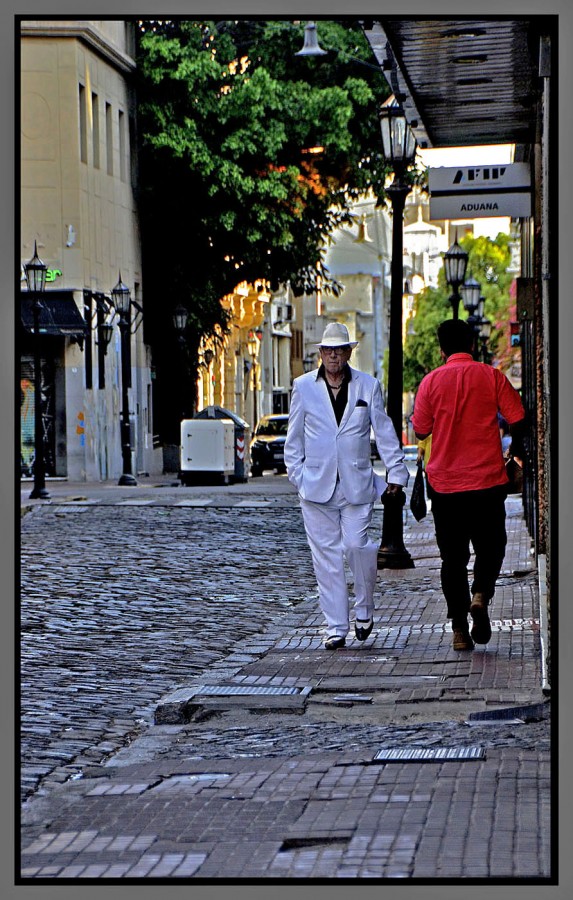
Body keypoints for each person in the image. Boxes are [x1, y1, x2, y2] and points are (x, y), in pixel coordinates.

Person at [284, 322, 409, 650]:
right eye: (329, 350)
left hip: (357, 483)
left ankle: (364, 609)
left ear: (349, 352)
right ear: (320, 353)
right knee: (325, 558)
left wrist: (396, 473)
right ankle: (336, 627)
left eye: (340, 350)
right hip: (315, 487)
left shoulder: (368, 386)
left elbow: (383, 431)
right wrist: (298, 476)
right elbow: (293, 439)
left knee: (357, 546)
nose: (334, 356)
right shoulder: (304, 387)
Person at [411, 319, 526, 651]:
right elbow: (518, 418)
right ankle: (480, 593)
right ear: (473, 345)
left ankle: (460, 629)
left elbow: (420, 430)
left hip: (445, 485)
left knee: (452, 557)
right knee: (492, 546)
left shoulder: (430, 383)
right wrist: (516, 452)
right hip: (488, 481)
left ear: (442, 349)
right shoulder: (491, 376)